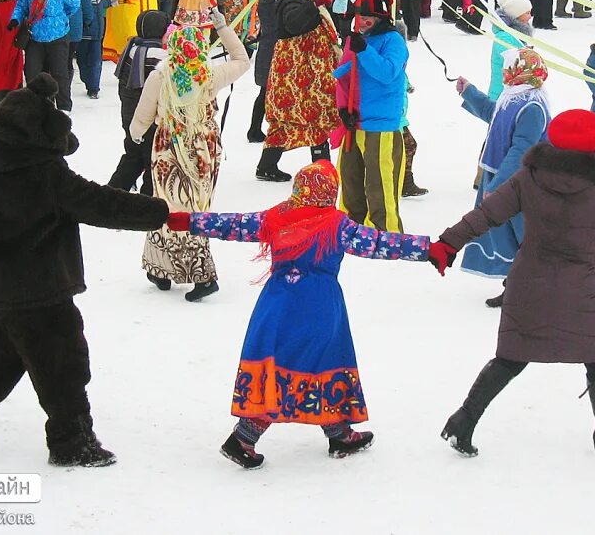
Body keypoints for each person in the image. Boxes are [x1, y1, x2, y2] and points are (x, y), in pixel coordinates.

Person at [0, 74, 175, 467]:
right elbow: (99, 203)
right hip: (41, 291)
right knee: (63, 365)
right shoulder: (46, 173)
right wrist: (159, 212)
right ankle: (72, 442)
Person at [433, 109, 595, 458]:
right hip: (580, 289)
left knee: (511, 357)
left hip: (528, 284)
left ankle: (463, 420)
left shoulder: (528, 178)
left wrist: (448, 242)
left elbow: (486, 214)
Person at [185, 161, 431, 469]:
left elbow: (232, 223)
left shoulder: (275, 218)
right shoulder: (336, 224)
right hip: (318, 308)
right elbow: (380, 242)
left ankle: (338, 432)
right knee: (318, 362)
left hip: (277, 305)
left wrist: (189, 221)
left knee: (285, 364)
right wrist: (427, 249)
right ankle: (243, 438)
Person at [131, 11, 249, 301]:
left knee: (167, 206)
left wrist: (135, 135)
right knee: (193, 208)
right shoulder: (209, 74)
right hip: (202, 150)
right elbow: (242, 60)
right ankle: (161, 269)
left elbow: (142, 117)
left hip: (169, 148)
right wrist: (222, 27)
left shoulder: (160, 75)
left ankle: (201, 274)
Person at [453, 48, 550, 306]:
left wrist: (497, 186)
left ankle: (529, 289)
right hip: (502, 178)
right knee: (503, 234)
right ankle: (515, 286)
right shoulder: (514, 95)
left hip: (519, 183)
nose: (504, 72)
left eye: (508, 67)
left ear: (522, 70)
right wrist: (470, 92)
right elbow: (494, 115)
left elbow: (521, 149)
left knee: (521, 235)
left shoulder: (533, 106)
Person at [334, 0, 409, 231]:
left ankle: (383, 229)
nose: (363, 21)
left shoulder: (393, 40)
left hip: (380, 122)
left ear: (380, 17)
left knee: (379, 181)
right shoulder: (359, 40)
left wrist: (364, 50)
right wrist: (342, 107)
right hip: (355, 120)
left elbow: (387, 73)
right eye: (360, 16)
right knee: (350, 177)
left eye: (367, 17)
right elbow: (344, 73)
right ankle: (352, 224)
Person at [256, 0, 340, 182]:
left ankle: (269, 166)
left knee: (305, 116)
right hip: (297, 72)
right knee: (307, 115)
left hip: (306, 71)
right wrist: (313, 5)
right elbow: (293, 25)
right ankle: (322, 169)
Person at [248, 0, 301, 144]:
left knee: (266, 91)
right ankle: (261, 128)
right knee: (272, 91)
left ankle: (256, 128)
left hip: (268, 47)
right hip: (275, 49)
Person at [109, 10, 169, 196]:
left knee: (132, 156)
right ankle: (147, 201)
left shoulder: (132, 47)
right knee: (152, 160)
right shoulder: (159, 55)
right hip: (148, 119)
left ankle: (111, 196)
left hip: (129, 113)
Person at [9, 0, 80, 112]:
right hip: (35, 37)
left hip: (58, 36)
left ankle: (64, 106)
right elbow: (20, 6)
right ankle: (35, 105)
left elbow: (75, 2)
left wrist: (62, 18)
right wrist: (15, 19)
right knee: (32, 72)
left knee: (59, 73)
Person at [51, 0, 98, 98]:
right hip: (53, 24)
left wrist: (88, 18)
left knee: (67, 60)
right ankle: (54, 91)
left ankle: (64, 92)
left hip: (73, 24)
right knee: (55, 60)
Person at [487, 0, 530, 100]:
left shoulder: (516, 34)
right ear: (517, 15)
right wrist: (527, 56)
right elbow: (509, 56)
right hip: (501, 93)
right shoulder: (504, 36)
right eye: (527, 13)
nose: (530, 16)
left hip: (512, 90)